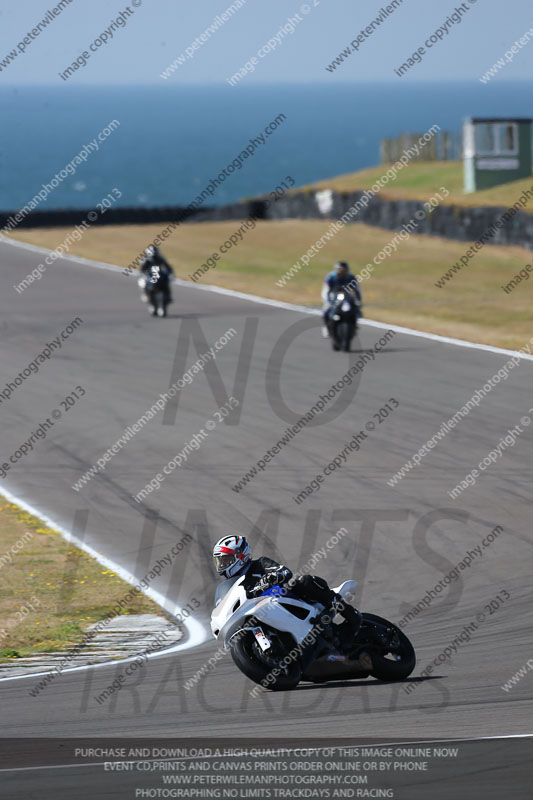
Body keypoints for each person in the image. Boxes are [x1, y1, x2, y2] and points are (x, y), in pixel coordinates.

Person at [212, 535, 361, 656]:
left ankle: (350, 614)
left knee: (305, 581)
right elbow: (222, 605)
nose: (222, 565)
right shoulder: (228, 587)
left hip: (283, 599)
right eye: (220, 561)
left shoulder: (260, 564)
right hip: (258, 614)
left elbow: (284, 571)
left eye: (226, 560)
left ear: (241, 556)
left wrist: (270, 578)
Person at [321, 261, 361, 338]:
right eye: (340, 270)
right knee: (326, 308)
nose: (342, 272)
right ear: (336, 270)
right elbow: (325, 291)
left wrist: (358, 300)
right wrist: (327, 300)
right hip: (333, 296)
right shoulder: (331, 278)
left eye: (344, 271)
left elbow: (357, 290)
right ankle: (326, 326)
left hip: (347, 296)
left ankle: (354, 325)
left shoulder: (351, 278)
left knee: (356, 308)